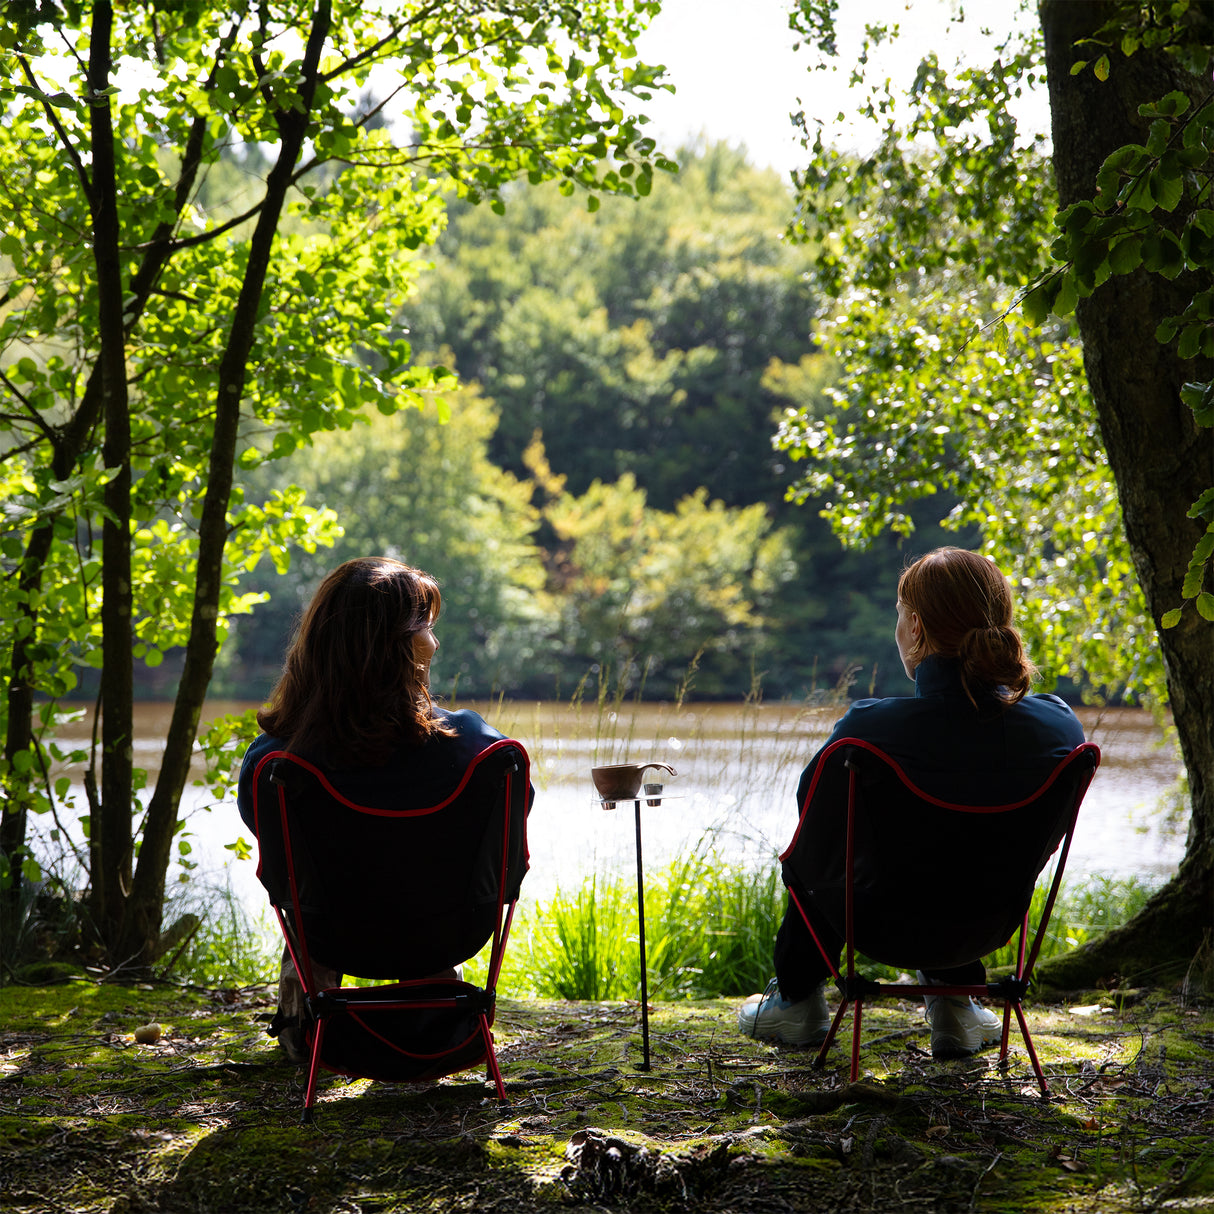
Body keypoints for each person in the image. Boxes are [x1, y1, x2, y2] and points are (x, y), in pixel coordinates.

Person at [738, 547, 1086, 1059]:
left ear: (917, 628)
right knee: (956, 855)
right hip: (990, 924)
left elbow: (813, 834)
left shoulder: (869, 732)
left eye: (900, 617)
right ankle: (956, 1006)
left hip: (880, 927)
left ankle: (797, 1000)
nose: (897, 629)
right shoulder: (1059, 726)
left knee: (814, 853)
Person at [237, 556, 532, 1060]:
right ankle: (433, 1020)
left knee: (311, 891)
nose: (435, 644)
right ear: (392, 646)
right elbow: (511, 824)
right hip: (448, 931)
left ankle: (304, 1026)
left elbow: (272, 849)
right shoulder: (478, 750)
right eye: (427, 628)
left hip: (331, 935)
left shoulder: (278, 763)